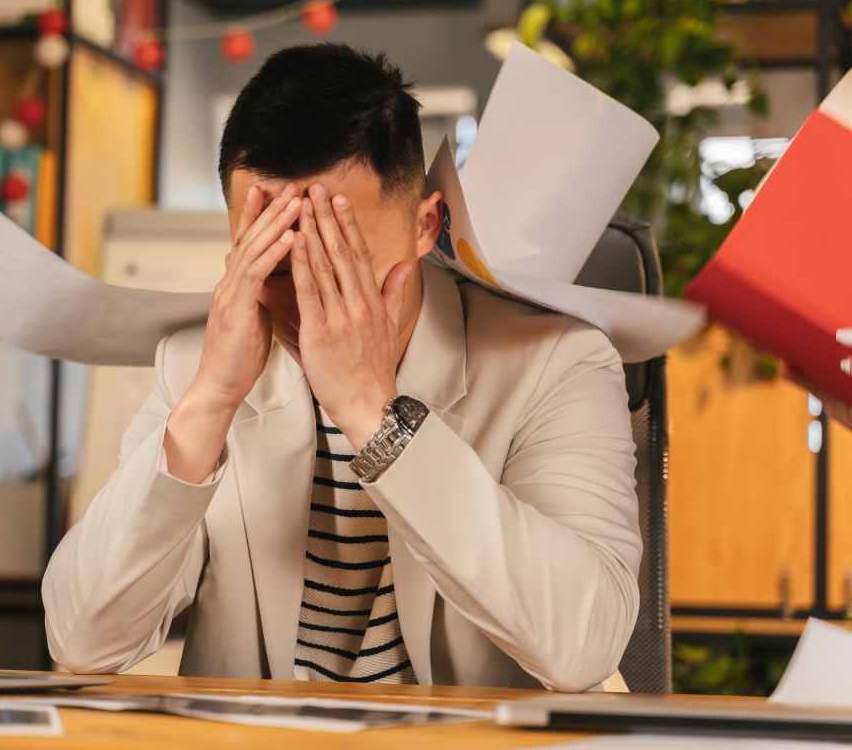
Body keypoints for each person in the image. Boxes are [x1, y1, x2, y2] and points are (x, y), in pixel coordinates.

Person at [41, 44, 642, 692]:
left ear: (425, 225)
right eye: (276, 260)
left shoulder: (558, 362)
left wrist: (372, 413)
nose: (310, 296)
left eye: (341, 260)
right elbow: (83, 642)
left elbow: (585, 643)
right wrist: (211, 400)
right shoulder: (199, 365)